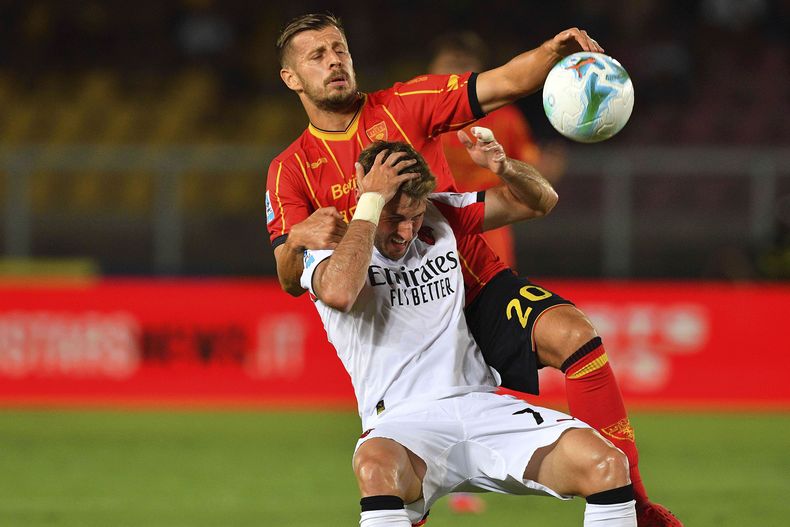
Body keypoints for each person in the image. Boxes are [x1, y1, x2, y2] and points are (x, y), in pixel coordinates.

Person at [265, 13, 681, 526]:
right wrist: (299, 239)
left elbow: (506, 82)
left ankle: (634, 506)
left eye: (339, 50)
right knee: (391, 467)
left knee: (576, 335)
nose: (334, 62)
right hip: (391, 319)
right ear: (291, 78)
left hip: (471, 279)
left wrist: (553, 52)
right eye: (317, 56)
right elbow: (292, 277)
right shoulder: (291, 168)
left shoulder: (404, 107)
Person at [301, 138, 636, 526]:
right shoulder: (330, 244)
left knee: (606, 463)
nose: (406, 232)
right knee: (376, 469)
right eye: (394, 219)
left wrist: (505, 167)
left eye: (415, 215)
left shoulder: (441, 214)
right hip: (403, 423)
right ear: (368, 198)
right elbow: (340, 293)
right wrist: (371, 205)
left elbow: (539, 200)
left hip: (481, 406)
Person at [428, 30, 556, 271]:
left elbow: (528, 173)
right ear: (432, 67)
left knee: (491, 301)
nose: (455, 73)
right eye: (449, 63)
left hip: (489, 230)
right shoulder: (418, 115)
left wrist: (543, 173)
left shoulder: (506, 118)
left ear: (480, 70)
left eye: (464, 64)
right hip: (431, 229)